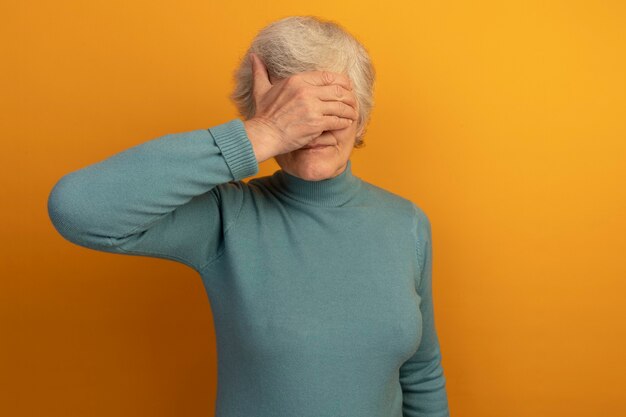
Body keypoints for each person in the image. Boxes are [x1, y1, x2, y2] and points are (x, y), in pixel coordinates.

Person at [47, 15, 450, 417]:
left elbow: (421, 372)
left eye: (332, 107)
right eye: (295, 110)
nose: (314, 127)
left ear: (361, 116)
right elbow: (77, 208)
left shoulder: (407, 223)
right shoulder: (228, 216)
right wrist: (264, 133)